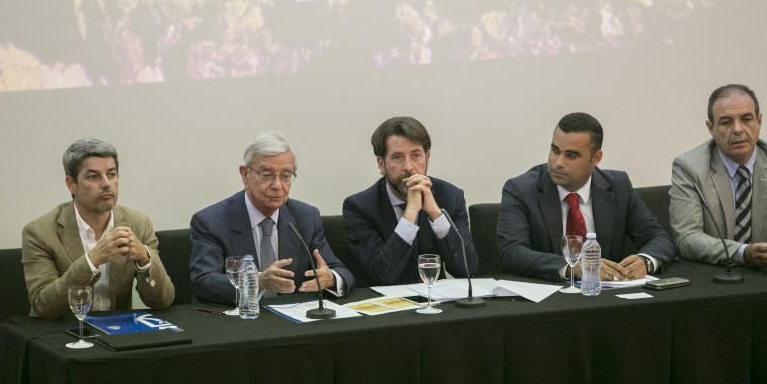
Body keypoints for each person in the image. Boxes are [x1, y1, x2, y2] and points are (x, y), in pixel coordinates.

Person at [498, 112, 674, 282]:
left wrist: (645, 261)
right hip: (550, 300)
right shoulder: (521, 190)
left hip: (607, 298)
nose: (558, 162)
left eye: (571, 155)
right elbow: (512, 253)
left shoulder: (618, 186)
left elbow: (658, 237)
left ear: (596, 158)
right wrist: (574, 267)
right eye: (555, 150)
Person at [190, 132, 354, 304]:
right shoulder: (211, 221)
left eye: (286, 175)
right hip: (238, 321)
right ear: (245, 175)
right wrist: (257, 281)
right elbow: (203, 282)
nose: (277, 185)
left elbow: (341, 272)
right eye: (267, 175)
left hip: (291, 323)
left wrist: (331, 278)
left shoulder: (306, 217)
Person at [22, 138, 174, 319]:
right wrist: (91, 261)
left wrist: (144, 258)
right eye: (93, 176)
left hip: (118, 334)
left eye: (111, 174)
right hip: (64, 335)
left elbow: (163, 301)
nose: (106, 184)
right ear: (71, 184)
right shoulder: (40, 232)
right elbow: (43, 306)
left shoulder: (138, 223)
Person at [343, 116, 478, 286]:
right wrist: (410, 213)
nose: (409, 166)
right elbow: (382, 274)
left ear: (427, 157)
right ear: (381, 164)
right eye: (397, 157)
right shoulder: (359, 207)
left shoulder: (450, 197)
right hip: (386, 306)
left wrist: (436, 215)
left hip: (437, 305)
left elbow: (468, 269)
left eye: (416, 155)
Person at [670, 83, 767, 266]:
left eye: (746, 119)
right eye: (726, 122)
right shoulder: (690, 167)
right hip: (715, 275)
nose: (738, 129)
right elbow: (687, 238)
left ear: (759, 121)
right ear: (711, 128)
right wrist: (742, 252)